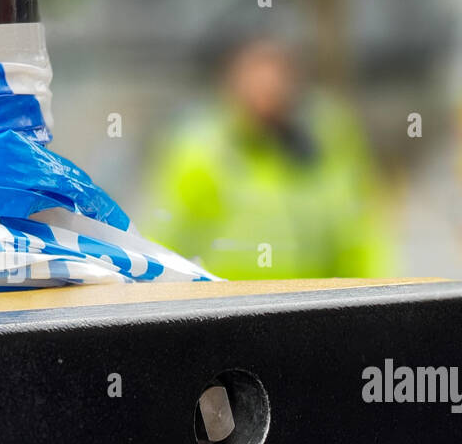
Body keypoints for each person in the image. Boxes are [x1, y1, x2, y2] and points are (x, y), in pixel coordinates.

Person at [144, 37, 391, 280]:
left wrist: (378, 299)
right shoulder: (203, 153)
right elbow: (166, 235)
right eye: (256, 78)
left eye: (277, 78)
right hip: (227, 309)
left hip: (313, 308)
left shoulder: (324, 147)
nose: (268, 90)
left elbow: (356, 237)